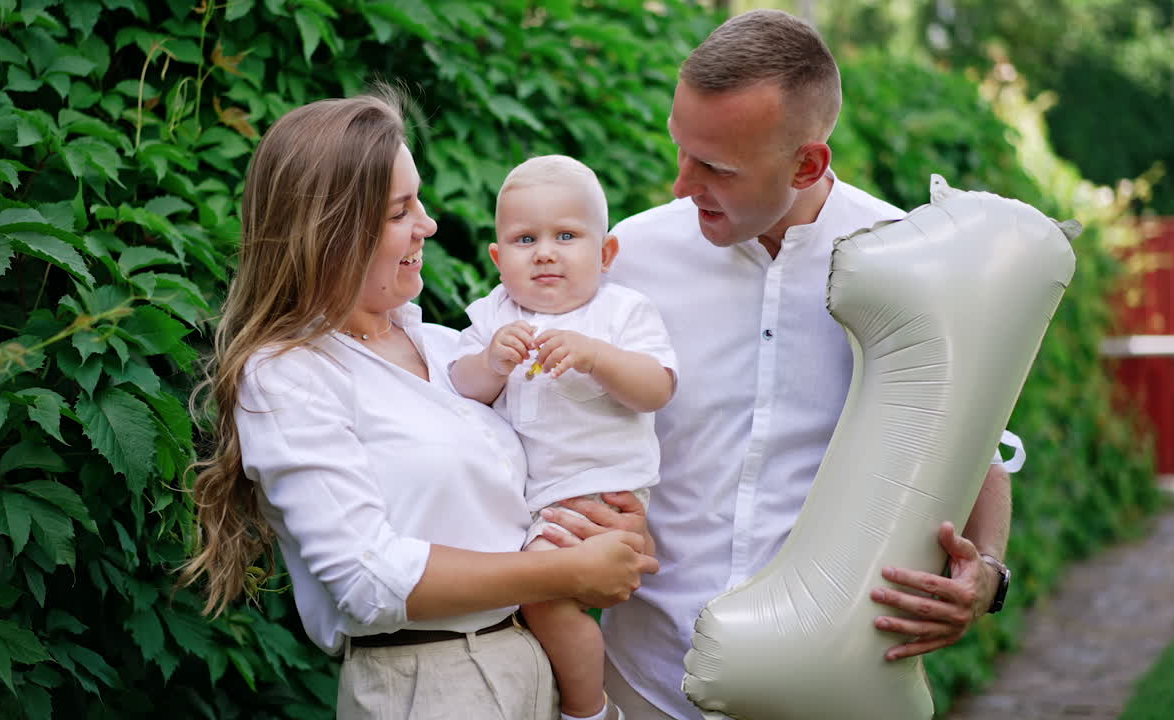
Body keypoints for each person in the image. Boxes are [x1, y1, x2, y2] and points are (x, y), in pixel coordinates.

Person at [537, 11, 1024, 720]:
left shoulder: (910, 262)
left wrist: (988, 576)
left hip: (831, 692)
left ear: (807, 164)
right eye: (682, 151)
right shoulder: (621, 259)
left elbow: (979, 442)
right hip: (644, 685)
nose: (680, 185)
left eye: (716, 168)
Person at [179, 93, 658, 720]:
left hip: (532, 658)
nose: (428, 225)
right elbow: (367, 578)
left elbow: (538, 482)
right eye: (401, 211)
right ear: (333, 231)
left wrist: (609, 527)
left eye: (419, 201)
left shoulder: (448, 348)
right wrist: (565, 574)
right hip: (430, 685)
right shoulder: (288, 375)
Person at [450, 155, 677, 720]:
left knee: (543, 600)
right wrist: (490, 363)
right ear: (499, 258)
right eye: (525, 238)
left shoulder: (622, 312)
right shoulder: (494, 316)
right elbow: (459, 388)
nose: (545, 251)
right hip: (530, 503)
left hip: (598, 491)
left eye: (567, 236)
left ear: (605, 255)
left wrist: (598, 358)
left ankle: (588, 710)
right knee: (530, 605)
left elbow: (658, 388)